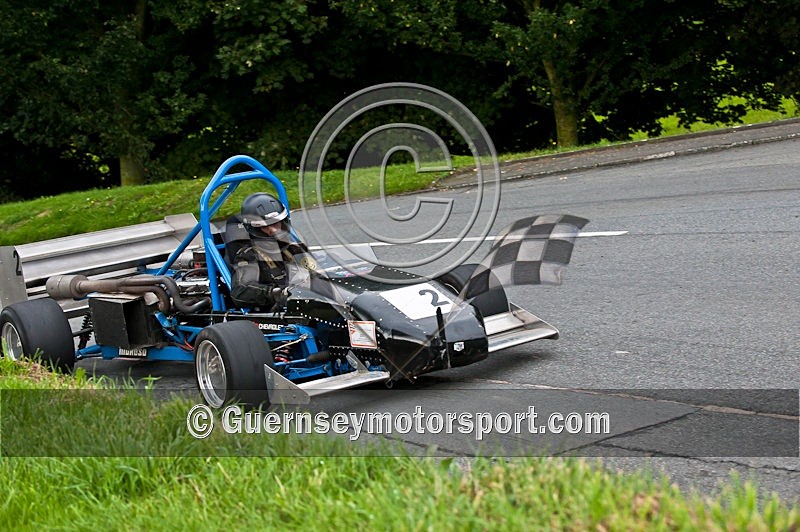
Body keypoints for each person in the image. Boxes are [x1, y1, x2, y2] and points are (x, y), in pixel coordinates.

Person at [228, 192, 311, 309]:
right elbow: (241, 291)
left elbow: (315, 269)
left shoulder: (292, 247)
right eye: (266, 226)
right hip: (279, 310)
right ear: (255, 228)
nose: (273, 230)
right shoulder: (249, 255)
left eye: (276, 223)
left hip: (307, 299)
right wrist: (275, 293)